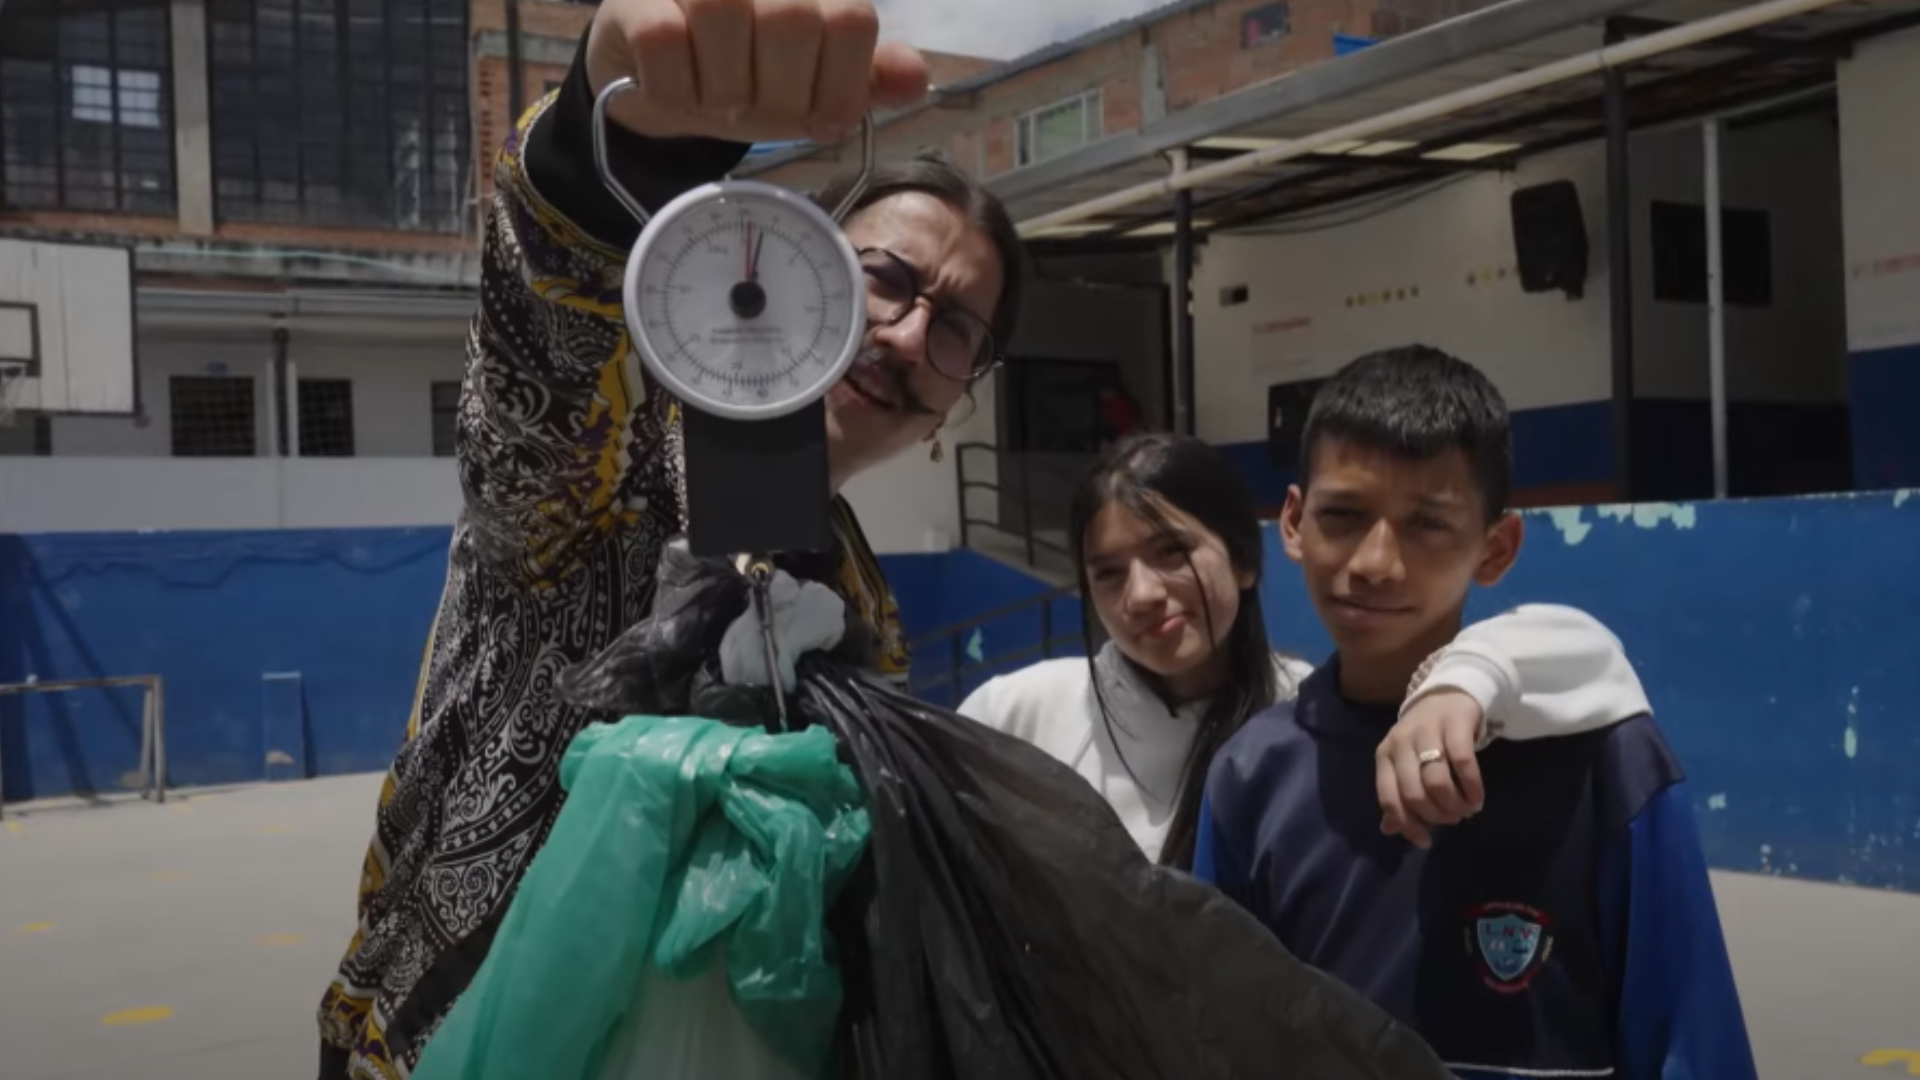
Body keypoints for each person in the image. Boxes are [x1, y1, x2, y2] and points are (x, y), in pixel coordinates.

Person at [317, 4, 1023, 1077]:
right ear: (803, 271)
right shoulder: (612, 454)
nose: (911, 336)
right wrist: (628, 156)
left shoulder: (863, 602)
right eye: (888, 279)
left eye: (960, 327)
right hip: (440, 1039)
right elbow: (542, 358)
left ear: (955, 402)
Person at [1193, 346, 1756, 1079]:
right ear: (1293, 524)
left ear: (1496, 548)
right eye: (1343, 515)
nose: (1374, 562)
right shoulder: (1251, 773)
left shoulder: (1606, 759)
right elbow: (1214, 1034)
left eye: (1427, 523)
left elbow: (1690, 1039)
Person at [959, 431, 1652, 867]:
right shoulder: (1014, 714)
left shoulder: (1300, 718)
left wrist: (1463, 679)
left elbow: (1591, 658)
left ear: (1245, 560)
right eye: (1106, 572)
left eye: (1171, 552)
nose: (1139, 594)